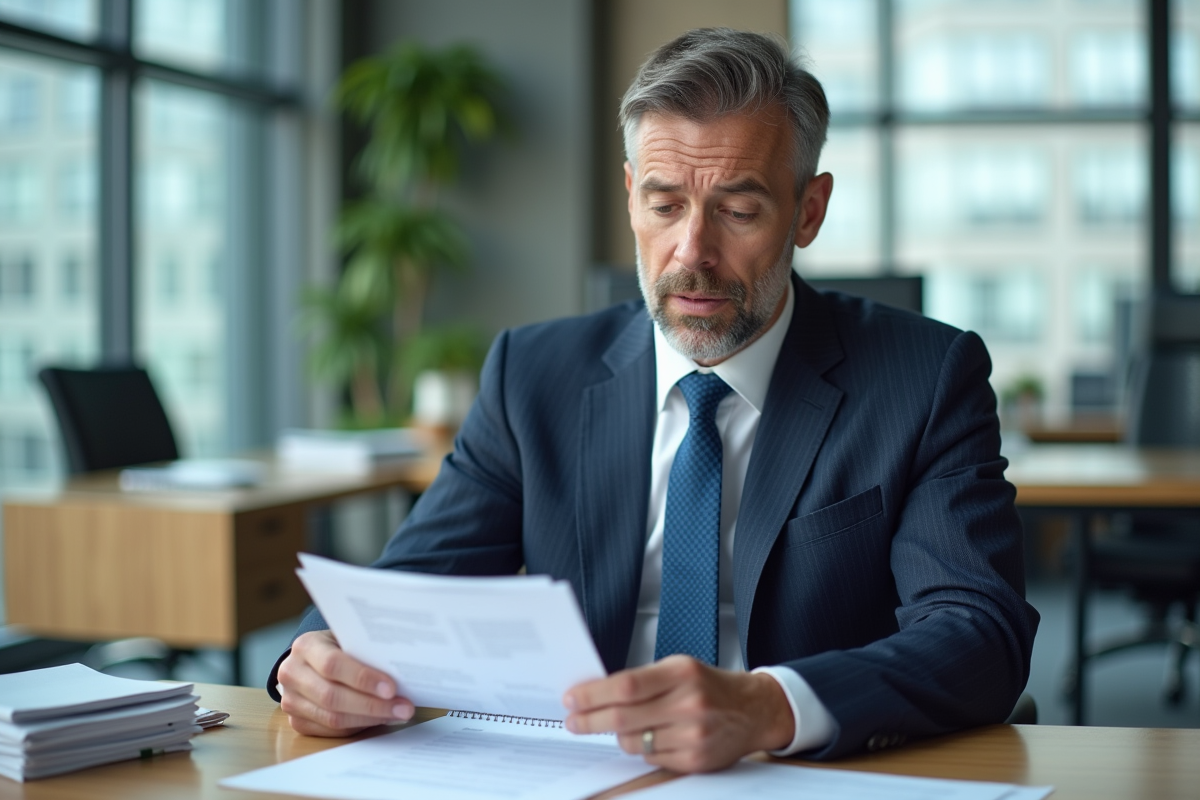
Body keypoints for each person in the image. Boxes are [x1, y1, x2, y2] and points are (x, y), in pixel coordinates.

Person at [269, 28, 1039, 772]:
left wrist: (771, 705)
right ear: (632, 194)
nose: (692, 253)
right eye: (666, 206)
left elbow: (979, 632)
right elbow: (407, 587)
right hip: (570, 774)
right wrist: (316, 656)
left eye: (739, 212)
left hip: (797, 771)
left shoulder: (926, 376)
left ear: (808, 210)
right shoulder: (533, 374)